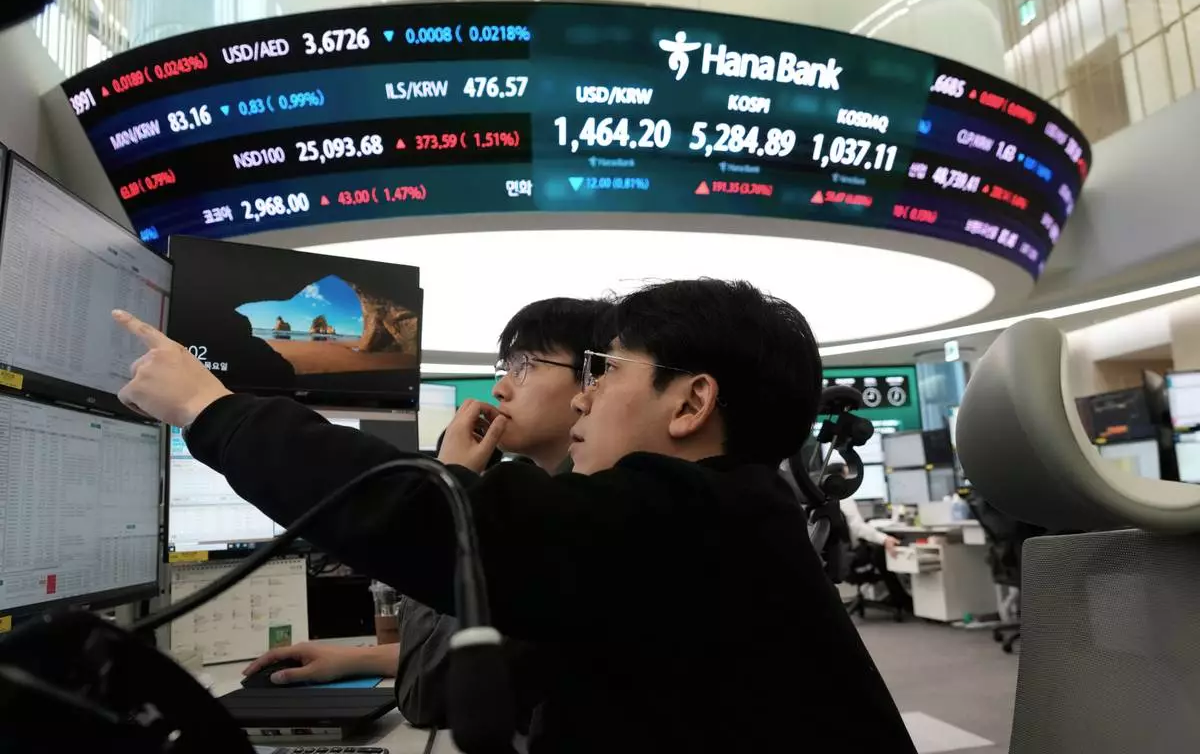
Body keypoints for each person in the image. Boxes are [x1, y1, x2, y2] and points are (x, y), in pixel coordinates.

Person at [112, 278, 916, 753]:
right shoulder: (725, 516)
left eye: (604, 370)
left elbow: (434, 520)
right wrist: (369, 658)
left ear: (691, 401)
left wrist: (208, 409)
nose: (587, 394)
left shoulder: (686, 515)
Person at [242, 297, 611, 730]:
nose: (499, 388)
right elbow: (503, 647)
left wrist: (447, 484)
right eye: (505, 368)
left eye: (525, 366)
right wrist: (358, 659)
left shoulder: (565, 522)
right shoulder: (562, 497)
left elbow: (426, 693)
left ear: (593, 379)